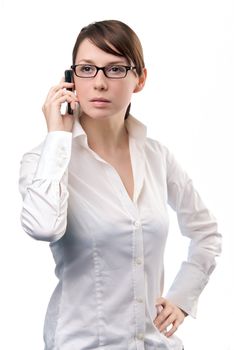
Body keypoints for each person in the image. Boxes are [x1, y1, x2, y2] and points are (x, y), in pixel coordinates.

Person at [18, 20, 222, 350]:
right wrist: (58, 136)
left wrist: (183, 298)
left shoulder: (156, 156)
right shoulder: (44, 162)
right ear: (70, 79)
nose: (99, 83)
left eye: (114, 69)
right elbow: (43, 227)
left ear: (139, 78)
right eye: (87, 69)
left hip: (155, 345)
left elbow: (206, 231)